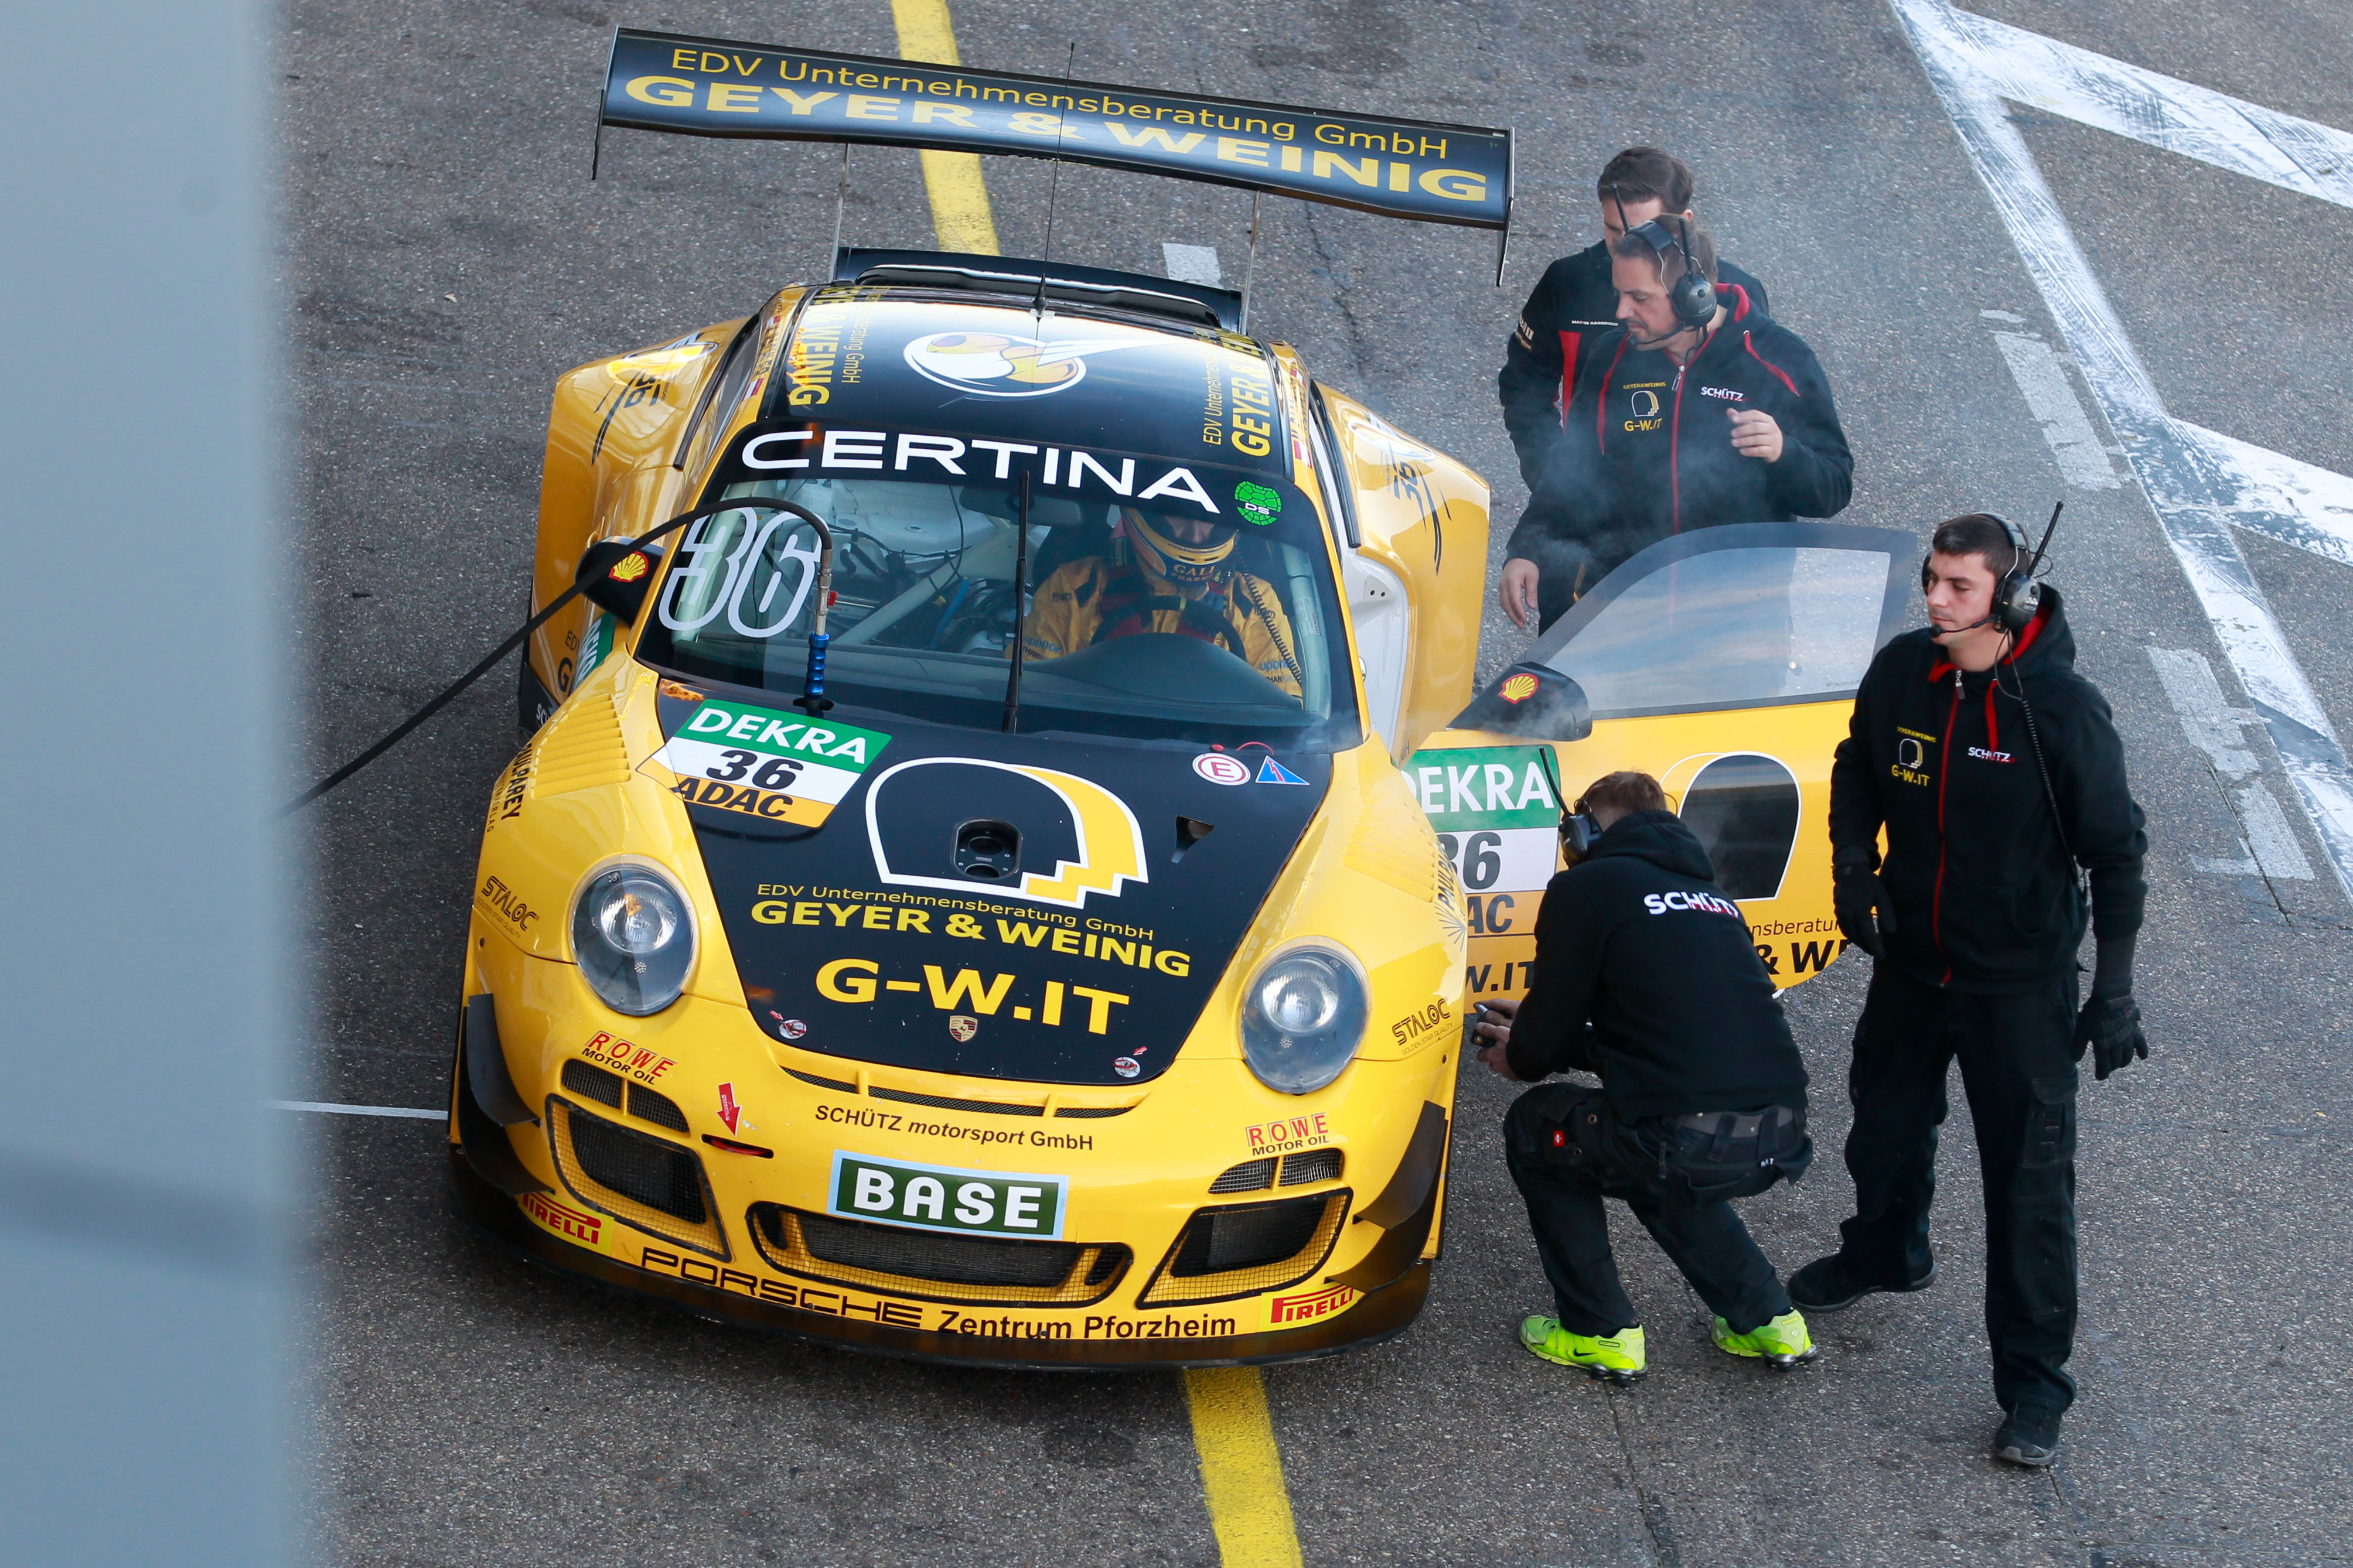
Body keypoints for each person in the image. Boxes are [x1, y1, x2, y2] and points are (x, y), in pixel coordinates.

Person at [1793, 512, 2149, 1468]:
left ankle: (2034, 1388)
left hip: (2019, 990)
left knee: (2028, 1192)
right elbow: (1856, 768)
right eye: (1932, 580)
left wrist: (2113, 991)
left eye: (1959, 586)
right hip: (1912, 967)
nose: (1936, 600)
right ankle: (1886, 1252)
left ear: (2011, 595)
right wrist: (1853, 872)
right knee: (1882, 1131)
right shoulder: (1903, 673)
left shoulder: (2063, 710)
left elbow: (2117, 854)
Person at [1474, 770, 1815, 1384]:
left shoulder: (1585, 887)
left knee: (1537, 1125)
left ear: (1582, 831)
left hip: (1681, 1140)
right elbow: (1664, 1044)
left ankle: (1597, 1331)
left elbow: (1538, 1052)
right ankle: (1768, 1319)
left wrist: (1521, 1051)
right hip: (1778, 1134)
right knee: (1646, 1138)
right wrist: (1543, 1033)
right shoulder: (1713, 898)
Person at [1498, 216, 1851, 633]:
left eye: (1639, 298)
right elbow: (1572, 469)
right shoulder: (1612, 356)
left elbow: (1834, 486)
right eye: (1618, 294)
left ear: (1694, 297)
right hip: (1625, 614)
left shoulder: (1781, 360)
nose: (1621, 312)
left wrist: (1784, 453)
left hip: (1736, 628)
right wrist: (1528, 547)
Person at [1498, 146, 1771, 491]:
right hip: (1595, 505)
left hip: (1704, 500)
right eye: (1614, 230)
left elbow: (1767, 403)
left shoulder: (1734, 293)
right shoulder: (1566, 284)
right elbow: (1525, 388)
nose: (1626, 245)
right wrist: (1556, 480)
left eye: (1644, 232)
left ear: (1684, 222)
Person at [1019, 506, 1303, 696]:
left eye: (1209, 517)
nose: (1195, 534)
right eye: (1179, 514)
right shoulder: (1074, 585)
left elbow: (1279, 708)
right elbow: (1030, 690)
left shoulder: (1253, 600)